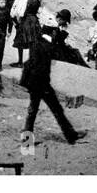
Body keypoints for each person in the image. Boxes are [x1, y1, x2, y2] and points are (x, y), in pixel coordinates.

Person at [20, 13, 85, 146]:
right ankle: (71, 136)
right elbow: (56, 50)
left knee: (34, 111)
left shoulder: (38, 41)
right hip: (41, 82)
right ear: (52, 31)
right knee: (55, 110)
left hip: (33, 81)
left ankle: (27, 143)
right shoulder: (46, 45)